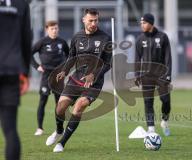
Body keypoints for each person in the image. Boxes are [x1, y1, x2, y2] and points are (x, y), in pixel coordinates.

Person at [45, 8, 112, 152]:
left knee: (80, 105)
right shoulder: (77, 36)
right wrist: (64, 70)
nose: (94, 23)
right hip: (76, 79)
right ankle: (58, 131)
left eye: (96, 20)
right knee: (60, 107)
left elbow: (108, 63)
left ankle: (62, 143)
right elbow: (71, 57)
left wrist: (94, 74)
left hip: (93, 83)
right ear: (84, 20)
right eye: (90, 21)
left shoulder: (106, 38)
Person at [0, 0, 31, 160]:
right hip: (12, 69)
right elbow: (27, 39)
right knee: (10, 128)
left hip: (11, 70)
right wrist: (25, 73)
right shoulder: (21, 4)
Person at [135, 13, 172, 136]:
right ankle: (151, 129)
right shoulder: (140, 39)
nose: (142, 25)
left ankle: (165, 120)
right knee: (148, 102)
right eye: (141, 23)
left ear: (151, 23)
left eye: (144, 23)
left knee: (165, 100)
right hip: (146, 76)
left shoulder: (163, 37)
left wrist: (168, 74)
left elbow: (168, 57)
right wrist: (136, 74)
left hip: (161, 75)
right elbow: (137, 58)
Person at [31, 21, 69, 136]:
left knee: (59, 104)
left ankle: (60, 129)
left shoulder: (62, 42)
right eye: (52, 29)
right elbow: (29, 54)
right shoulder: (42, 42)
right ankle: (39, 128)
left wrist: (65, 68)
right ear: (47, 30)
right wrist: (37, 66)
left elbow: (69, 55)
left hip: (58, 77)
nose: (55, 30)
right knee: (43, 101)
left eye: (56, 28)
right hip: (46, 76)